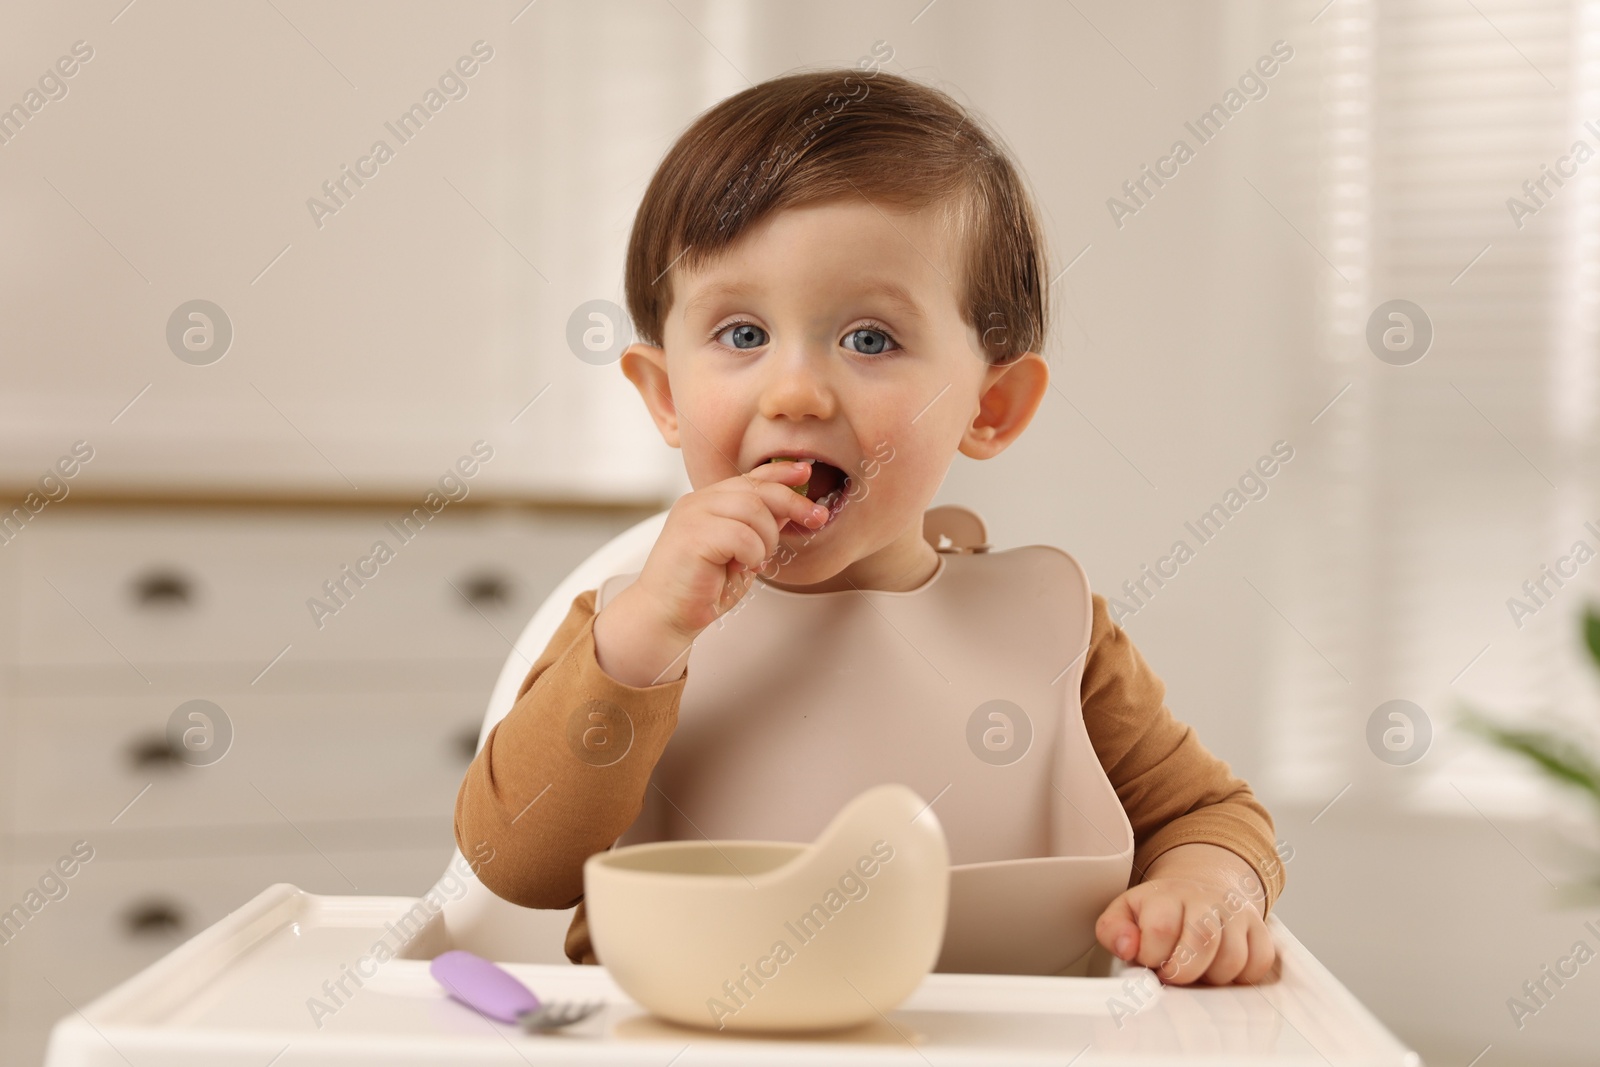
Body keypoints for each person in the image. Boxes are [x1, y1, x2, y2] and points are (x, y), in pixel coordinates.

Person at [455, 65, 1284, 986]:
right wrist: (647, 636)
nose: (797, 391)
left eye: (869, 339)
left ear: (992, 406)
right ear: (666, 398)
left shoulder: (1053, 632)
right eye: (740, 334)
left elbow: (1209, 817)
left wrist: (1210, 891)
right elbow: (513, 864)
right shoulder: (626, 636)